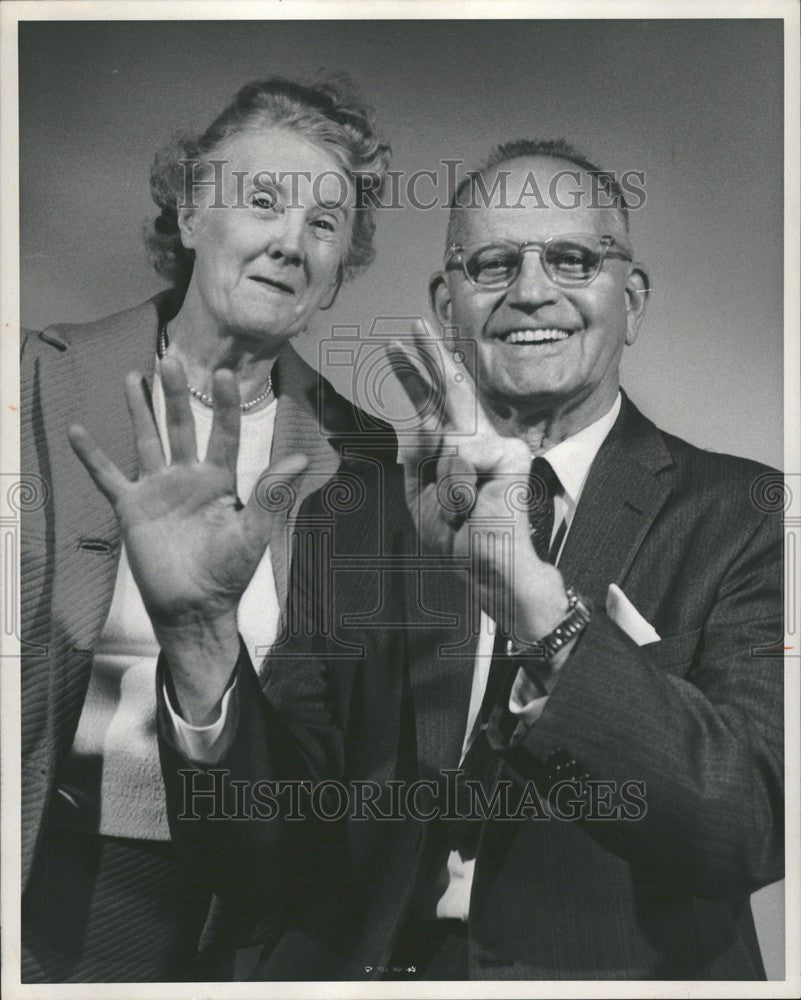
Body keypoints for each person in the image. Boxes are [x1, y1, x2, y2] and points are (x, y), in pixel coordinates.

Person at [74, 139, 783, 980]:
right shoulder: (360, 507)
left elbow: (745, 826)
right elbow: (261, 863)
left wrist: (538, 610)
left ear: (629, 299)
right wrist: (197, 637)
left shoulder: (738, 511)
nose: (529, 290)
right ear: (446, 304)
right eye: (492, 264)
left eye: (569, 258)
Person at [20, 75, 392, 983]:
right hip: (37, 878)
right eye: (260, 202)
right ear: (188, 216)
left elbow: (346, 752)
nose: (288, 244)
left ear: (342, 266)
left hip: (235, 919)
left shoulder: (361, 458)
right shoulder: (26, 379)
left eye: (323, 225)